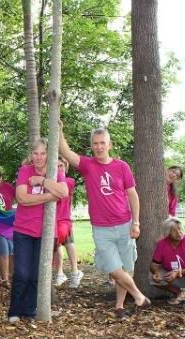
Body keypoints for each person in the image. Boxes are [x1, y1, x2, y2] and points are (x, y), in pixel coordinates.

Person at [59, 124, 150, 319]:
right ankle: (139, 296)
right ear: (91, 146)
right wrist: (59, 130)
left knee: (125, 268)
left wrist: (136, 222)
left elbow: (132, 195)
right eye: (95, 144)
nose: (99, 147)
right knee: (114, 268)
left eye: (102, 143)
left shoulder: (122, 166)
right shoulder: (88, 165)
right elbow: (65, 152)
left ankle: (119, 306)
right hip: (101, 228)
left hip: (125, 224)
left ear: (109, 144)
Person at [8, 139, 68, 322]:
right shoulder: (25, 171)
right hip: (23, 230)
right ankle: (14, 311)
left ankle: (29, 310)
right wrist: (50, 196)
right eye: (36, 153)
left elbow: (63, 192)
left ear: (48, 155)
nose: (39, 157)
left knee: (36, 275)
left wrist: (42, 180)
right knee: (22, 273)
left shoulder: (55, 172)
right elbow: (22, 198)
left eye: (43, 153)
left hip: (46, 233)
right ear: (31, 154)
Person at [150, 217, 185, 309]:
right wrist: (156, 272)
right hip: (171, 275)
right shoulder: (162, 244)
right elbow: (154, 265)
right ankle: (178, 293)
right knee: (151, 277)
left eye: (180, 229)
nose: (179, 232)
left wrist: (179, 272)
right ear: (167, 233)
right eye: (174, 231)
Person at [53, 158, 84, 288]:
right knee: (57, 246)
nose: (59, 168)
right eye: (56, 166)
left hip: (64, 220)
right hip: (53, 220)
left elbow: (60, 190)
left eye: (61, 166)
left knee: (67, 244)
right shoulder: (52, 182)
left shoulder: (69, 181)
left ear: (66, 167)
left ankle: (75, 271)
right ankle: (60, 273)